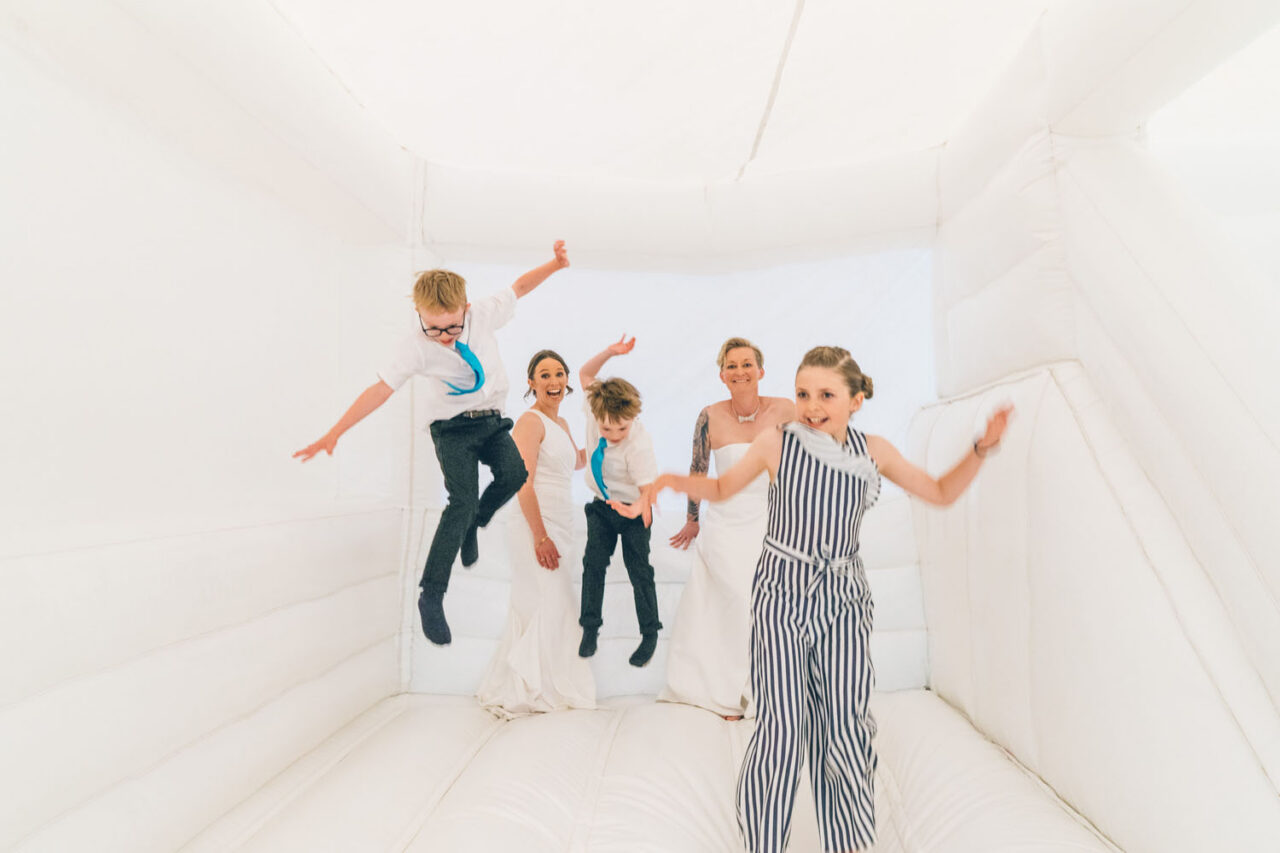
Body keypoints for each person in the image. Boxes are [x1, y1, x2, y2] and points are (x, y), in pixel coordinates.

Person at [640, 345, 1011, 853]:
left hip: (843, 600)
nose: (812, 406)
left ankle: (851, 845)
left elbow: (941, 493)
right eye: (803, 394)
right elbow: (724, 486)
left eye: (826, 395)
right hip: (781, 594)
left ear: (855, 400)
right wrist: (666, 481)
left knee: (846, 730)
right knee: (782, 729)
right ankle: (764, 843)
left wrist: (981, 448)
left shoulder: (873, 451)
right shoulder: (777, 442)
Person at [294, 242, 571, 646]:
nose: (443, 337)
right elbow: (380, 389)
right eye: (433, 328)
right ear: (419, 316)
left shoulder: (483, 313)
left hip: (492, 422)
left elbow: (520, 287)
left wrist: (556, 264)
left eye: (452, 328)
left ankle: (475, 521)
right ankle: (432, 594)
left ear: (465, 308)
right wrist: (335, 432)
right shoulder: (415, 345)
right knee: (460, 499)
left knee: (515, 473)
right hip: (451, 430)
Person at [660, 337, 793, 720]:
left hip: (773, 522)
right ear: (722, 375)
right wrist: (692, 519)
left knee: (768, 605)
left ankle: (771, 692)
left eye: (747, 364)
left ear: (761, 371)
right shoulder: (709, 416)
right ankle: (728, 691)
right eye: (732, 366)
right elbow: (698, 469)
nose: (740, 371)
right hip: (725, 523)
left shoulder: (787, 410)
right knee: (736, 600)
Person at [475, 349, 597, 717]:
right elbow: (521, 481)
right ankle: (528, 688)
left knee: (557, 604)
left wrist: (601, 433)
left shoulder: (559, 423)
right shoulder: (529, 422)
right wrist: (540, 536)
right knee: (541, 601)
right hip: (536, 524)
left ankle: (548, 682)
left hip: (562, 522)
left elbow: (574, 462)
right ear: (531, 383)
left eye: (559, 374)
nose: (554, 381)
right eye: (544, 375)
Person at [577, 335, 662, 667]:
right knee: (593, 565)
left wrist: (636, 511)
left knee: (639, 569)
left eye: (620, 430)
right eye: (606, 429)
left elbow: (648, 492)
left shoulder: (638, 444)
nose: (612, 435)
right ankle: (590, 628)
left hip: (634, 509)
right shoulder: (594, 405)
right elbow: (585, 374)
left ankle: (650, 632)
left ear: (632, 419)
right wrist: (611, 352)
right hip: (601, 506)